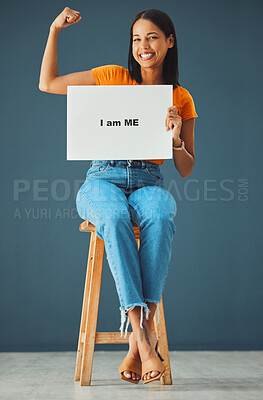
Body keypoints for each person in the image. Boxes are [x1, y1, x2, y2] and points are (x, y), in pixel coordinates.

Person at [39, 7, 198, 384]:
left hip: (148, 180)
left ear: (169, 41)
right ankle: (144, 339)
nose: (144, 46)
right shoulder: (113, 76)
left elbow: (187, 167)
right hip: (102, 178)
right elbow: (48, 83)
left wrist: (175, 139)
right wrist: (53, 31)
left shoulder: (180, 96)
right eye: (137, 38)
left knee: (161, 214)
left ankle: (135, 344)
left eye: (153, 37)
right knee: (113, 218)